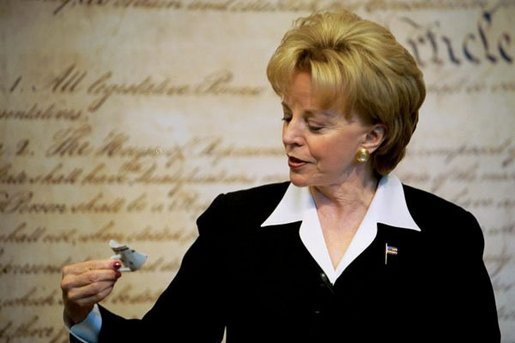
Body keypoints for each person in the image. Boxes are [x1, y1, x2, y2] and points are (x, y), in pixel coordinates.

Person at [60, 9, 501, 342]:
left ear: (372, 135)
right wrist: (85, 316)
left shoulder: (448, 234)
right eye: (288, 115)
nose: (289, 136)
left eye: (316, 124)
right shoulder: (234, 222)